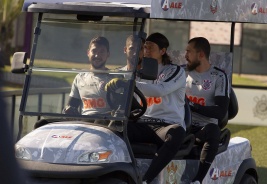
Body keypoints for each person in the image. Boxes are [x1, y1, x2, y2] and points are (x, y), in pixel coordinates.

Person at [126, 32, 187, 183]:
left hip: (165, 125)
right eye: (144, 47)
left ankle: (146, 180)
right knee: (116, 127)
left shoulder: (176, 71)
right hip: (143, 123)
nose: (146, 51)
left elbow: (160, 90)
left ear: (162, 51)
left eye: (150, 47)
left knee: (176, 133)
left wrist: (130, 84)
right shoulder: (138, 71)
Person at [184, 37, 230, 184]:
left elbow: (220, 112)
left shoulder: (219, 76)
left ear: (201, 55)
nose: (185, 56)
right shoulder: (180, 72)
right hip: (181, 125)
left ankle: (198, 180)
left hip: (202, 129)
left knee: (213, 130)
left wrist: (191, 106)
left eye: (189, 52)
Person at [62, 36, 112, 115]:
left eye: (101, 52)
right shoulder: (80, 77)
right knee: (41, 123)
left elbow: (119, 111)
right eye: (94, 51)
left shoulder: (114, 79)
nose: (97, 55)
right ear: (88, 53)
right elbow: (71, 106)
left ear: (108, 54)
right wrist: (67, 110)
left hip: (105, 123)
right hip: (85, 123)